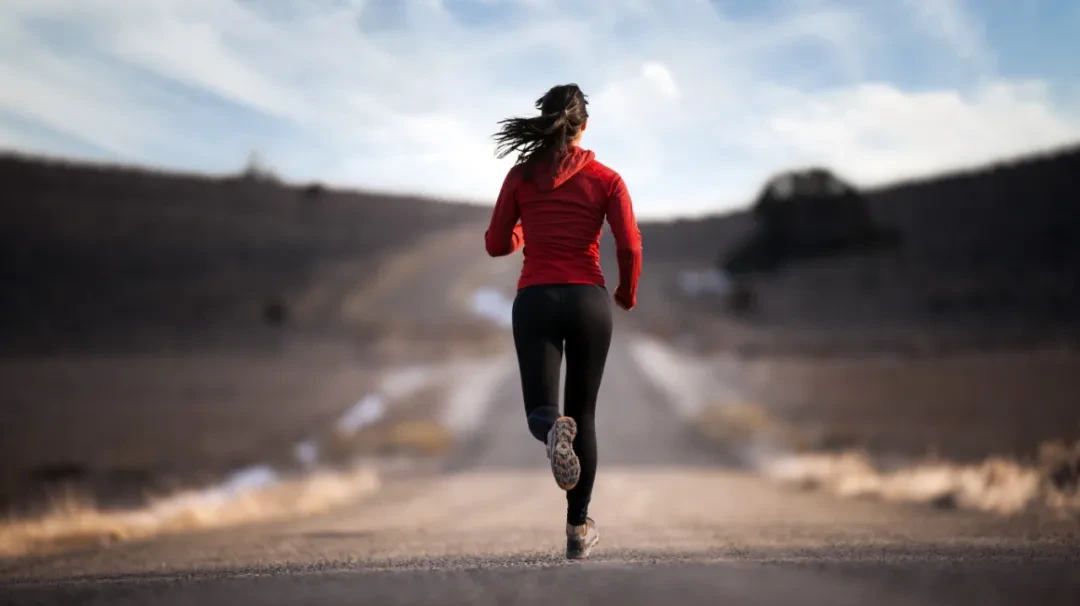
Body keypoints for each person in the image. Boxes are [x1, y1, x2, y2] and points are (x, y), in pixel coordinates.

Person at [484, 83, 643, 560]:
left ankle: (553, 431)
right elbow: (630, 244)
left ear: (544, 121)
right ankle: (577, 529)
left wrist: (521, 230)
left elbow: (496, 244)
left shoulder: (520, 176)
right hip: (589, 301)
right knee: (586, 414)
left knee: (544, 410)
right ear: (584, 126)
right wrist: (626, 292)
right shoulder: (607, 178)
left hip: (535, 298)